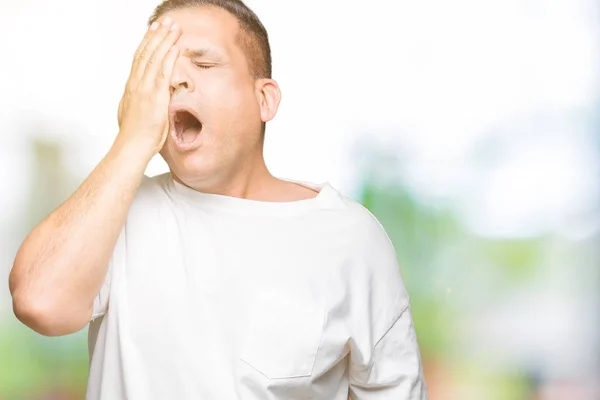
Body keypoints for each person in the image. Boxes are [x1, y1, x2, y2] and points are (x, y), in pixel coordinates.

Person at [8, 0, 428, 398]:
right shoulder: (115, 219)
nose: (175, 79)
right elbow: (40, 304)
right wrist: (132, 140)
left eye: (203, 63)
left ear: (264, 99)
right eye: (160, 70)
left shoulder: (350, 240)